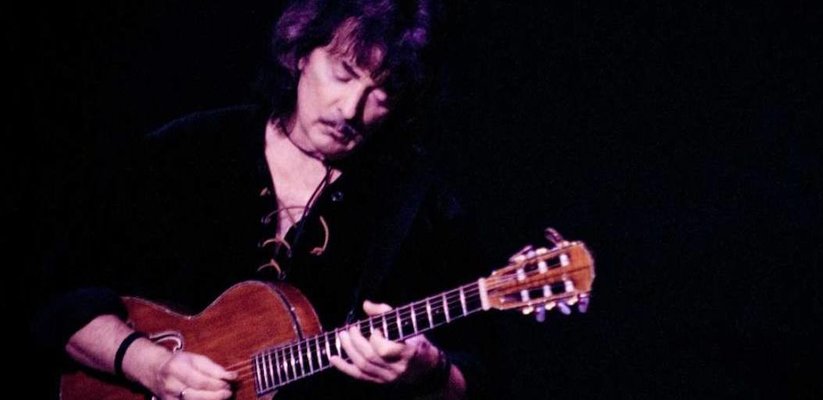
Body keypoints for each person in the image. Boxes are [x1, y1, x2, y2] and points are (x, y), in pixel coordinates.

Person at [32, 0, 495, 399]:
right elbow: (60, 297)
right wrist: (150, 366)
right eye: (343, 73)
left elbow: (480, 375)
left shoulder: (418, 207)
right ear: (301, 54)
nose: (350, 109)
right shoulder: (191, 150)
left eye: (382, 93)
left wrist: (429, 371)